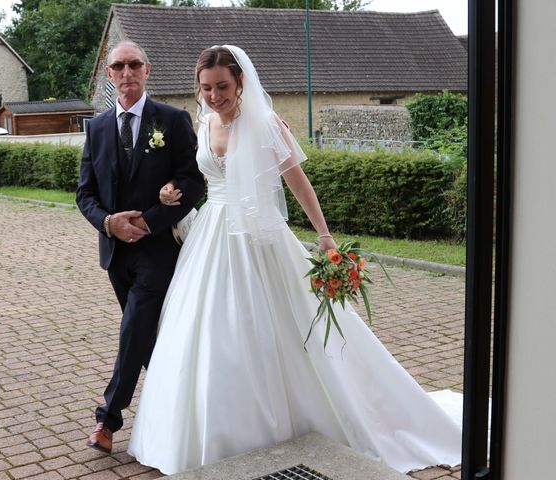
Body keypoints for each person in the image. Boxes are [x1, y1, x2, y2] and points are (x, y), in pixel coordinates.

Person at [127, 45, 462, 475]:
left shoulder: (267, 124)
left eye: (223, 87)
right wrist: (169, 192)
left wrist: (324, 236)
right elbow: (199, 177)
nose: (214, 95)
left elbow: (299, 184)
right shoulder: (205, 121)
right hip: (212, 236)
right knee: (204, 326)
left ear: (241, 82)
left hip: (261, 240)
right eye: (207, 88)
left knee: (274, 327)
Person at [76, 40, 205, 454]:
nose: (126, 72)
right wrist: (109, 222)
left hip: (157, 250)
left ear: (147, 70)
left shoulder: (172, 119)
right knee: (146, 340)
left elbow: (194, 181)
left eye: (134, 65)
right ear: (108, 74)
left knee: (132, 329)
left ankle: (107, 421)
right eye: (118, 66)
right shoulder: (95, 129)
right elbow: (85, 193)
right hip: (115, 253)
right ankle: (180, 405)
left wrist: (149, 220)